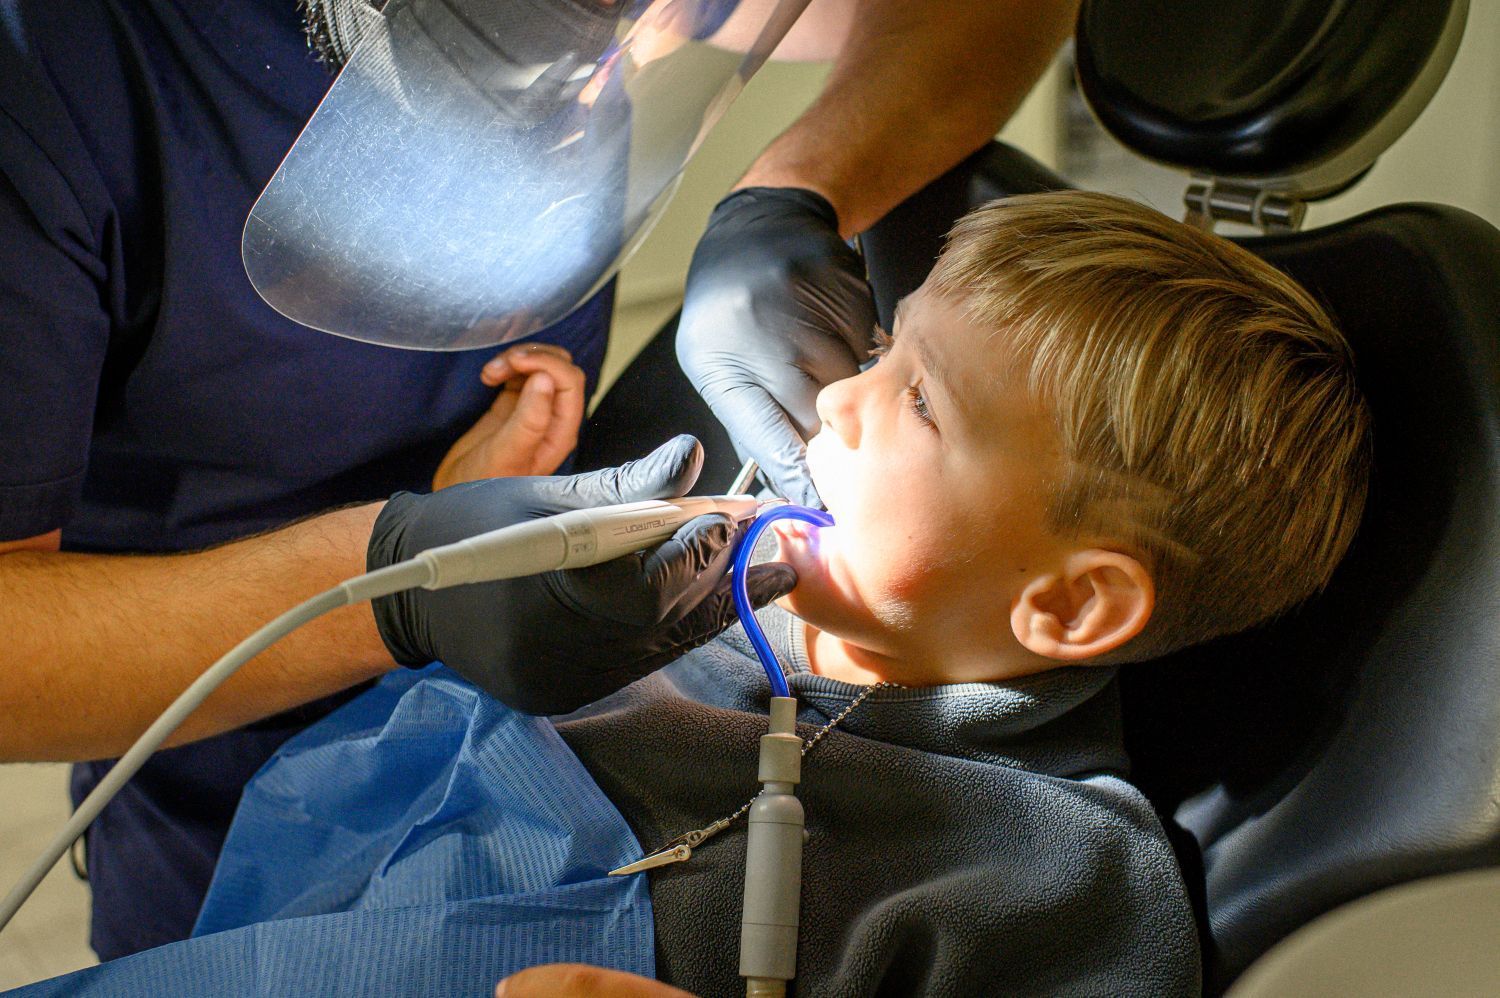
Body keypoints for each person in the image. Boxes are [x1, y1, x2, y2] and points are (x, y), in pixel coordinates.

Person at [46, 190, 1360, 996]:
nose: (834, 392)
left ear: (1071, 609)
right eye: (888, 341)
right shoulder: (678, 604)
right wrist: (460, 528)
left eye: (917, 399)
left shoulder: (1058, 878)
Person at [0, 0, 1077, 962]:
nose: (842, 398)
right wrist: (395, 579)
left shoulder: (1040, 873)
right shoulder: (57, 69)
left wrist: (795, 190)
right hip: (220, 787)